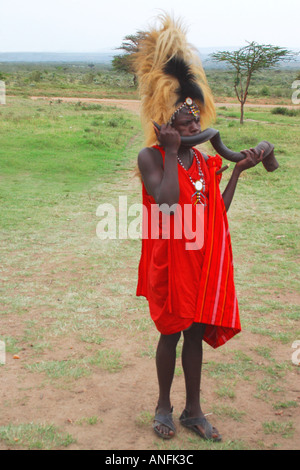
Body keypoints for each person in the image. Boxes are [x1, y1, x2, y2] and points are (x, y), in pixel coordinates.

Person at [134, 14, 263, 441]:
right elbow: (168, 203)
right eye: (183, 126)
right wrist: (172, 151)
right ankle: (162, 406)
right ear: (164, 125)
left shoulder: (206, 161)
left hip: (201, 260)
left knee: (193, 333)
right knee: (170, 334)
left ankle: (193, 409)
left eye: (195, 124)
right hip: (170, 260)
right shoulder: (152, 158)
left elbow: (215, 215)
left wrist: (235, 174)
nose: (193, 131)